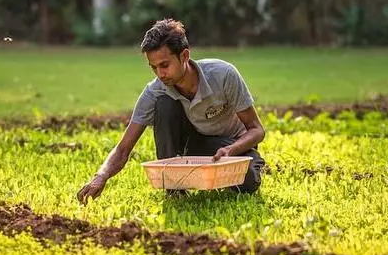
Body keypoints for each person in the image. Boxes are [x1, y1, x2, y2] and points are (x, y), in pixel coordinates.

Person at [77, 18, 265, 203]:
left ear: (184, 56)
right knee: (164, 105)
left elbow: (257, 130)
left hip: (232, 146)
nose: (160, 74)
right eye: (154, 67)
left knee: (248, 181)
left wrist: (231, 150)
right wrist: (100, 176)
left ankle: (252, 166)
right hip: (193, 147)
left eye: (165, 65)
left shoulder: (223, 74)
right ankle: (174, 188)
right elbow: (123, 148)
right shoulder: (155, 91)